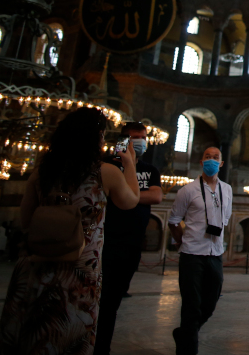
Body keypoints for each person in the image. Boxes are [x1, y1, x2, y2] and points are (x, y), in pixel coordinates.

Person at [0, 108, 141, 353]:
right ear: (94, 138)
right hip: (78, 271)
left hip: (37, 264)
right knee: (68, 335)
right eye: (101, 135)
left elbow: (25, 218)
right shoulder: (104, 172)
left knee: (36, 335)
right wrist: (129, 164)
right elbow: (131, 201)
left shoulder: (43, 170)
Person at [95, 121, 163, 354]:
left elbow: (156, 196)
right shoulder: (106, 165)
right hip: (104, 240)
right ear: (122, 140)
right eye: (134, 137)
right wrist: (130, 194)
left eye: (143, 137)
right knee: (99, 296)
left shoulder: (150, 170)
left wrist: (123, 193)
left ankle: (101, 346)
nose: (140, 142)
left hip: (132, 243)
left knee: (113, 299)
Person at [168, 147, 232, 355]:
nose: (211, 160)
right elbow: (173, 220)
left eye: (215, 158)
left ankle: (183, 333)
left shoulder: (227, 190)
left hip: (215, 253)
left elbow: (226, 219)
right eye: (207, 157)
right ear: (201, 162)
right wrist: (181, 241)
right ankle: (188, 350)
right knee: (191, 306)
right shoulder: (188, 190)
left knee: (210, 302)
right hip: (192, 254)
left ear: (221, 163)